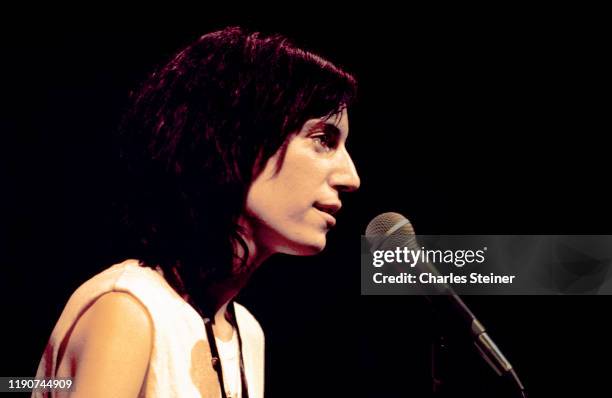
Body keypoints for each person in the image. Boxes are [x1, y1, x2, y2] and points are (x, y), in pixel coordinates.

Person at [33, 26, 360, 398]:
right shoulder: (129, 311)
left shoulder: (246, 333)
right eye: (323, 140)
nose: (352, 177)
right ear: (236, 138)